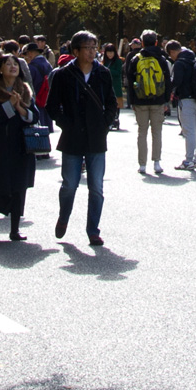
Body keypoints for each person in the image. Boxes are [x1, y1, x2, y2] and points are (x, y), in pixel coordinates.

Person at [50, 30, 111, 245]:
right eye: (88, 48)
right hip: (72, 137)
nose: (93, 52)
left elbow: (112, 103)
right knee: (69, 184)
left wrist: (105, 124)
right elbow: (51, 106)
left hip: (96, 137)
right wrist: (66, 123)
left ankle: (93, 229)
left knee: (96, 186)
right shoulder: (62, 75)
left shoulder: (102, 73)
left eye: (95, 47)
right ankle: (64, 216)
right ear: (75, 51)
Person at [0, 54, 39, 240]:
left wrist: (21, 109)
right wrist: (9, 106)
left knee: (19, 187)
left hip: (21, 146)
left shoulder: (25, 90)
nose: (13, 67)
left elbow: (35, 116)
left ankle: (15, 229)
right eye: (8, 64)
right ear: (0, 69)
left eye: (16, 64)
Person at [125, 30, 174, 175]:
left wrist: (132, 101)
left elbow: (130, 80)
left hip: (140, 100)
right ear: (156, 42)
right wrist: (166, 100)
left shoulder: (136, 58)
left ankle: (142, 164)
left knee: (142, 132)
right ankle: (157, 162)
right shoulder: (161, 58)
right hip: (158, 100)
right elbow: (167, 80)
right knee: (157, 132)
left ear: (142, 43)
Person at [171, 42, 196, 172]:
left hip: (186, 99)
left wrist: (170, 89)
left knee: (188, 131)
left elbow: (177, 81)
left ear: (173, 51)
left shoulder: (179, 63)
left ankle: (188, 160)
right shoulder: (194, 61)